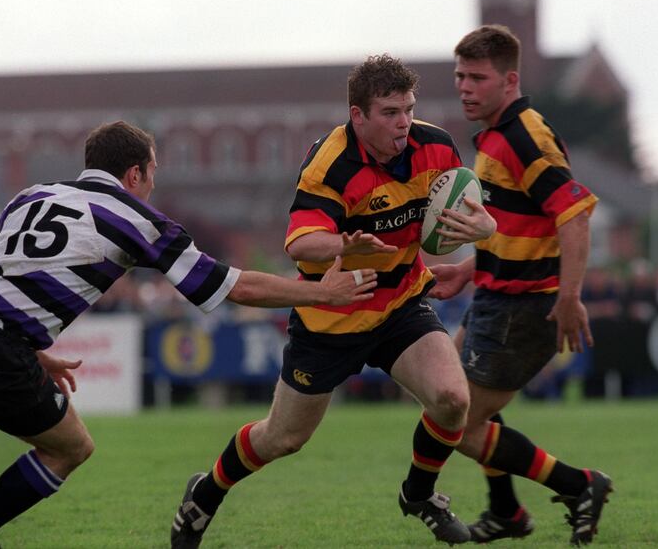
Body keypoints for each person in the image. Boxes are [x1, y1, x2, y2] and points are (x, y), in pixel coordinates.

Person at [0, 120, 380, 549]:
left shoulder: (33, 194)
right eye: (153, 172)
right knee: (71, 448)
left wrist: (30, 348)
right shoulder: (136, 218)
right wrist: (322, 293)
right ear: (135, 174)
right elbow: (232, 285)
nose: (152, 184)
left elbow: (0, 276)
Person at [170, 54, 497, 548]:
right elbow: (301, 244)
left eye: (408, 108)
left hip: (400, 303)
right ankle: (207, 492)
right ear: (357, 115)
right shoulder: (331, 164)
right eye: (390, 112)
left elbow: (459, 217)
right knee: (282, 439)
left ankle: (419, 494)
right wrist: (346, 244)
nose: (404, 122)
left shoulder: (435, 145)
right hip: (332, 314)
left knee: (452, 399)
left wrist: (485, 229)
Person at [430, 24, 612, 545]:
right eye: (460, 75)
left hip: (524, 308)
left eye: (477, 78)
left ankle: (579, 485)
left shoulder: (522, 135)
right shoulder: (494, 133)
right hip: (493, 297)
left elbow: (573, 215)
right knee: (448, 402)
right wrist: (470, 269)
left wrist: (570, 296)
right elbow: (518, 223)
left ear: (509, 80)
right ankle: (507, 511)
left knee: (458, 425)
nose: (465, 86)